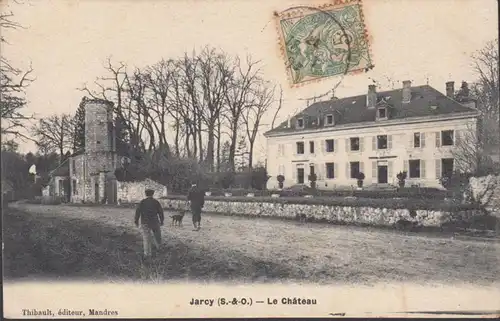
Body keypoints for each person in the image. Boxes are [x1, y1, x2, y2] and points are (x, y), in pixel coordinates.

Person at [134, 189, 164, 258]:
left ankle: (147, 254)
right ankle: (159, 250)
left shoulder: (142, 202)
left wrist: (136, 221)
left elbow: (137, 212)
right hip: (155, 222)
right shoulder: (156, 202)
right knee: (158, 237)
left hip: (145, 222)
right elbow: (160, 212)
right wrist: (161, 221)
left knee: (146, 238)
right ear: (153, 194)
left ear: (145, 194)